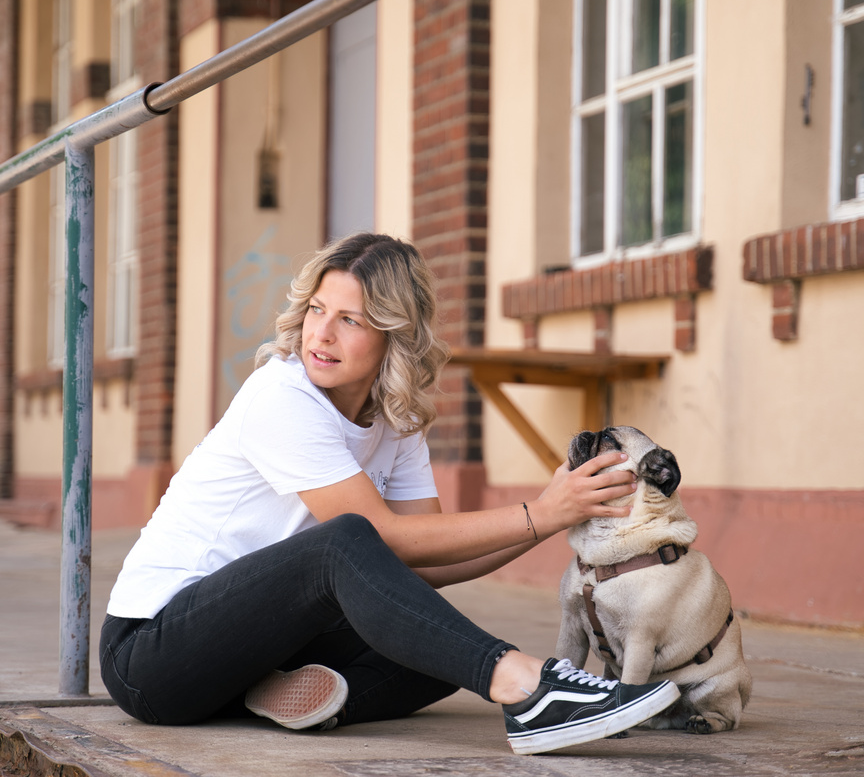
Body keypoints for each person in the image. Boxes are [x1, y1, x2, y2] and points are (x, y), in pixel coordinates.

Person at [100, 232, 678, 755]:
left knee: (430, 649)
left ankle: (288, 698)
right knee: (350, 542)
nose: (321, 334)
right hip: (153, 654)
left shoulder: (394, 419)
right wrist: (540, 511)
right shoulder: (279, 396)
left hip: (255, 644)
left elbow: (421, 562)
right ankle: (525, 686)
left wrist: (554, 517)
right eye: (317, 310)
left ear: (395, 334)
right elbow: (382, 538)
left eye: (351, 320)